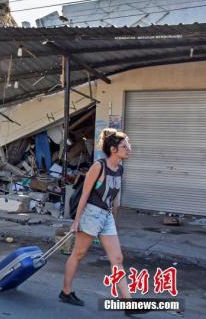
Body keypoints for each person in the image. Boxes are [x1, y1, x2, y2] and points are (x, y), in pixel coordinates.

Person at [60, 129, 148, 315]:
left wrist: (112, 218)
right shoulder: (98, 167)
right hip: (91, 214)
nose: (129, 149)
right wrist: (76, 221)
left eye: (128, 145)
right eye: (125, 146)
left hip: (106, 217)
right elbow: (84, 194)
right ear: (114, 149)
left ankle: (128, 304)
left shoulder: (120, 168)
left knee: (117, 259)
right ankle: (65, 292)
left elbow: (113, 197)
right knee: (79, 254)